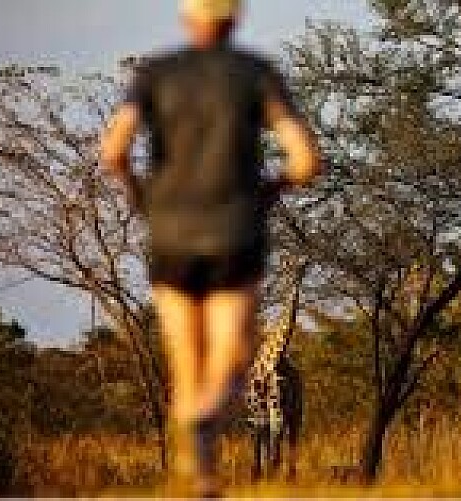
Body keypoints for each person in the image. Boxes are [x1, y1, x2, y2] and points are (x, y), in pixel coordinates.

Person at [99, 0, 321, 495]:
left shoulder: (154, 73)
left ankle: (199, 470)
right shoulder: (256, 73)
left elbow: (113, 152)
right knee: (233, 355)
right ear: (235, 18)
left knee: (185, 360)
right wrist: (271, 191)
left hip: (169, 235)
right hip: (235, 233)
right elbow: (306, 159)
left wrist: (143, 198)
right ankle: (205, 419)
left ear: (187, 17)